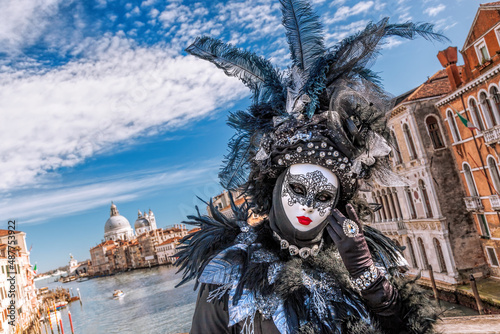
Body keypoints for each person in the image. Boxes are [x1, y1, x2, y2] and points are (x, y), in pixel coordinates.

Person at [175, 1, 446, 333]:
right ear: (275, 185)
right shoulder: (230, 273)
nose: (307, 206)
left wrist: (369, 279)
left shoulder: (359, 260)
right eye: (299, 189)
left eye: (322, 198)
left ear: (337, 204)